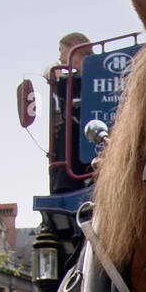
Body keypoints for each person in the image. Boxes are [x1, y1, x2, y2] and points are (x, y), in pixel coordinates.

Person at [46, 32, 94, 194]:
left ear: (73, 47)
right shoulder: (78, 76)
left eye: (61, 50)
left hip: (81, 148)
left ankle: (65, 179)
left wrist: (60, 80)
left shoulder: (90, 74)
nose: (60, 58)